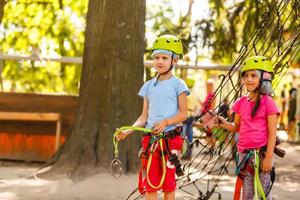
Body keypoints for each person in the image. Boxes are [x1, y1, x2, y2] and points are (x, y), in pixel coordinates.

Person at [116, 34, 189, 200]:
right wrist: (128, 131)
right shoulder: (148, 86)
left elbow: (184, 114)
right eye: (156, 57)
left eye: (164, 57)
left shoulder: (179, 85)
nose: (159, 61)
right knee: (151, 184)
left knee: (169, 185)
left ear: (175, 60)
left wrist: (166, 122)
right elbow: (143, 117)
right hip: (151, 141)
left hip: (171, 142)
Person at [215, 56, 280, 200]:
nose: (248, 79)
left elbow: (272, 133)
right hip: (244, 156)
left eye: (253, 75)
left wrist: (269, 157)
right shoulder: (240, 102)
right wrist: (224, 124)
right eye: (246, 76)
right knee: (247, 194)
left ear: (264, 79)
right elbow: (237, 127)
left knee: (263, 194)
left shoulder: (268, 103)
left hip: (262, 155)